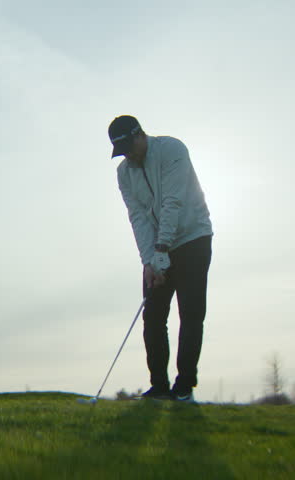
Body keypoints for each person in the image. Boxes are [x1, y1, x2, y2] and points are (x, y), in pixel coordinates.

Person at [108, 115, 213, 402]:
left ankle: (184, 387)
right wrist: (148, 261)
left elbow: (173, 201)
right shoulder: (124, 173)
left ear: (141, 134)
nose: (129, 155)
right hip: (157, 248)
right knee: (153, 316)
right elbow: (137, 217)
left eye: (131, 146)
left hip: (193, 238)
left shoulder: (172, 149)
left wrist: (163, 248)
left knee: (191, 314)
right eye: (123, 151)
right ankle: (159, 387)